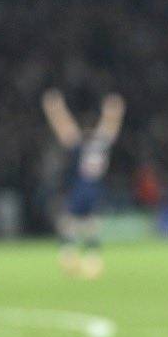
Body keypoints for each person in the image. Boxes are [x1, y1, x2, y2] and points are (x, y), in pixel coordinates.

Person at [41, 89, 126, 278]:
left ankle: (70, 256)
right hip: (94, 188)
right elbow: (110, 127)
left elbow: (64, 128)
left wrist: (55, 108)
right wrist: (114, 111)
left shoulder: (82, 145)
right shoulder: (101, 143)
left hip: (81, 187)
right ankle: (90, 259)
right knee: (90, 224)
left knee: (72, 223)